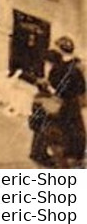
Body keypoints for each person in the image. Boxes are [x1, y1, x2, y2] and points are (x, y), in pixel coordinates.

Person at [35, 38, 87, 167]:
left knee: (55, 129)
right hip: (72, 103)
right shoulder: (76, 67)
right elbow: (82, 88)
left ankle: (57, 157)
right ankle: (73, 156)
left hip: (58, 102)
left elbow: (52, 84)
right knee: (74, 129)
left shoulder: (57, 67)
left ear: (60, 50)